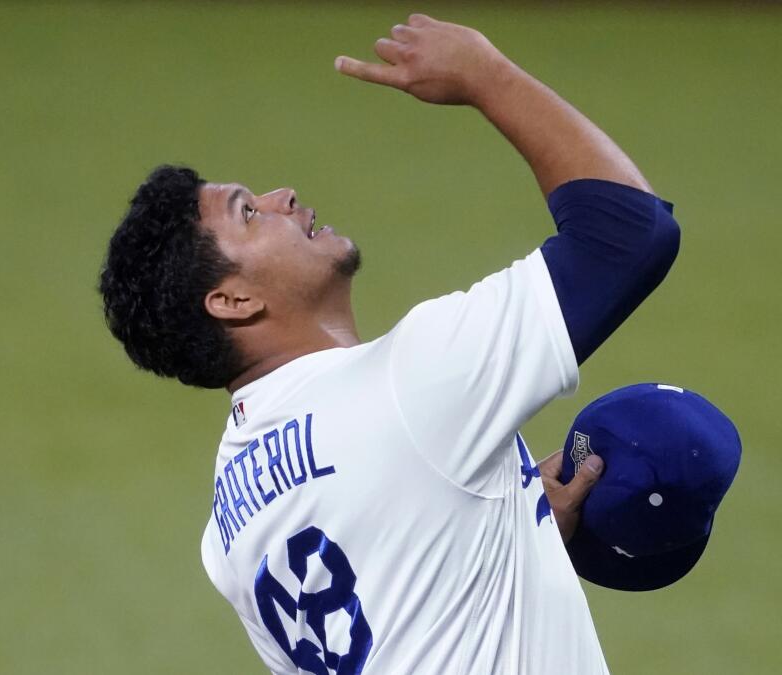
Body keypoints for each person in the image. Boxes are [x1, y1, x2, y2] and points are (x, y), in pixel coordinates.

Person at [98, 14, 680, 674]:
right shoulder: (410, 384)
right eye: (249, 212)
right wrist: (485, 74)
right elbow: (630, 234)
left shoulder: (230, 524)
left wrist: (498, 525)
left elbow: (390, 593)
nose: (281, 195)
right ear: (233, 301)